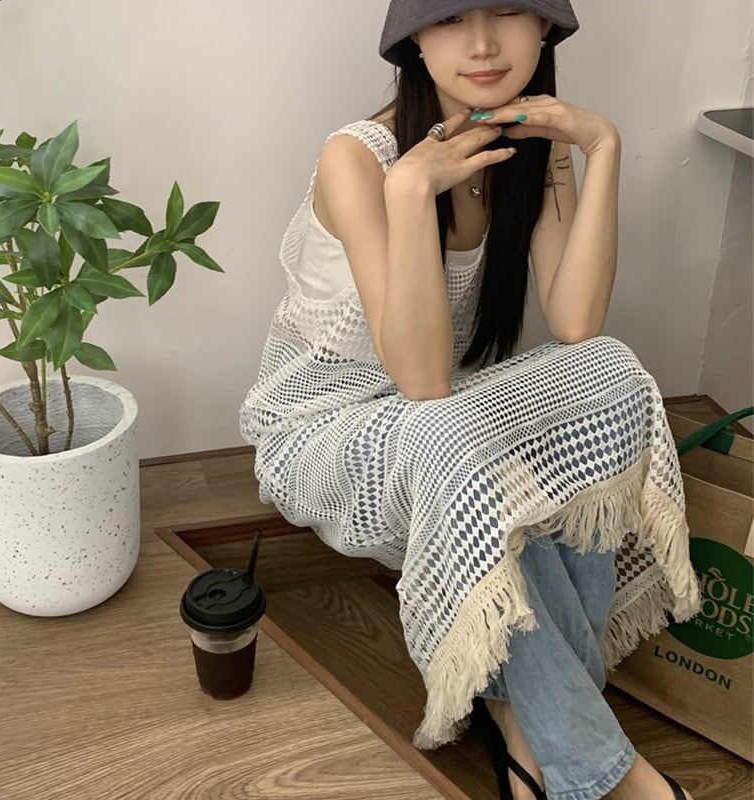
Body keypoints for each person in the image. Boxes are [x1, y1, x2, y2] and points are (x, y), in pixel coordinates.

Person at [239, 3, 701, 799]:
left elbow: (576, 323)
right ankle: (609, 775)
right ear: (414, 38)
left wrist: (601, 148)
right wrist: (410, 192)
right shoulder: (359, 158)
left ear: (545, 27)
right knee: (457, 438)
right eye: (450, 15)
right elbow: (421, 379)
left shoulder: (530, 148)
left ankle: (528, 728)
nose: (483, 43)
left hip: (440, 422)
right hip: (320, 434)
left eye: (511, 9)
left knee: (610, 372)